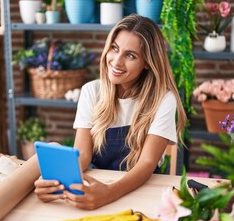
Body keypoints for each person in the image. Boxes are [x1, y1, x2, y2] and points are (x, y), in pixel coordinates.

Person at [33, 14, 187, 210]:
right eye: (114, 48)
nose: (116, 61)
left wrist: (109, 193)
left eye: (130, 55)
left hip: (140, 192)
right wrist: (55, 183)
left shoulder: (163, 100)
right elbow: (83, 154)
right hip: (98, 185)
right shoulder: (92, 91)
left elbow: (147, 163)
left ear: (147, 63)